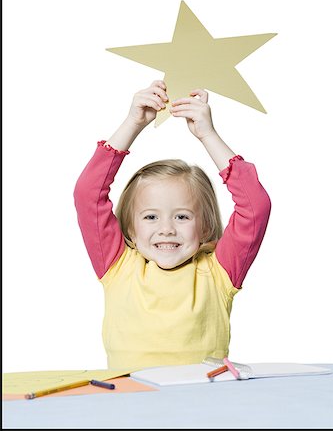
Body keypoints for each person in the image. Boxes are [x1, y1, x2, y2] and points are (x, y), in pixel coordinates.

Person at [73, 80, 271, 371]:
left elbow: (255, 207)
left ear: (205, 227)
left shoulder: (219, 271)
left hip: (202, 405)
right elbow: (88, 194)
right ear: (130, 229)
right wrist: (132, 123)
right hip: (131, 405)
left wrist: (208, 135)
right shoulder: (117, 265)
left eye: (182, 216)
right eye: (151, 217)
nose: (166, 228)